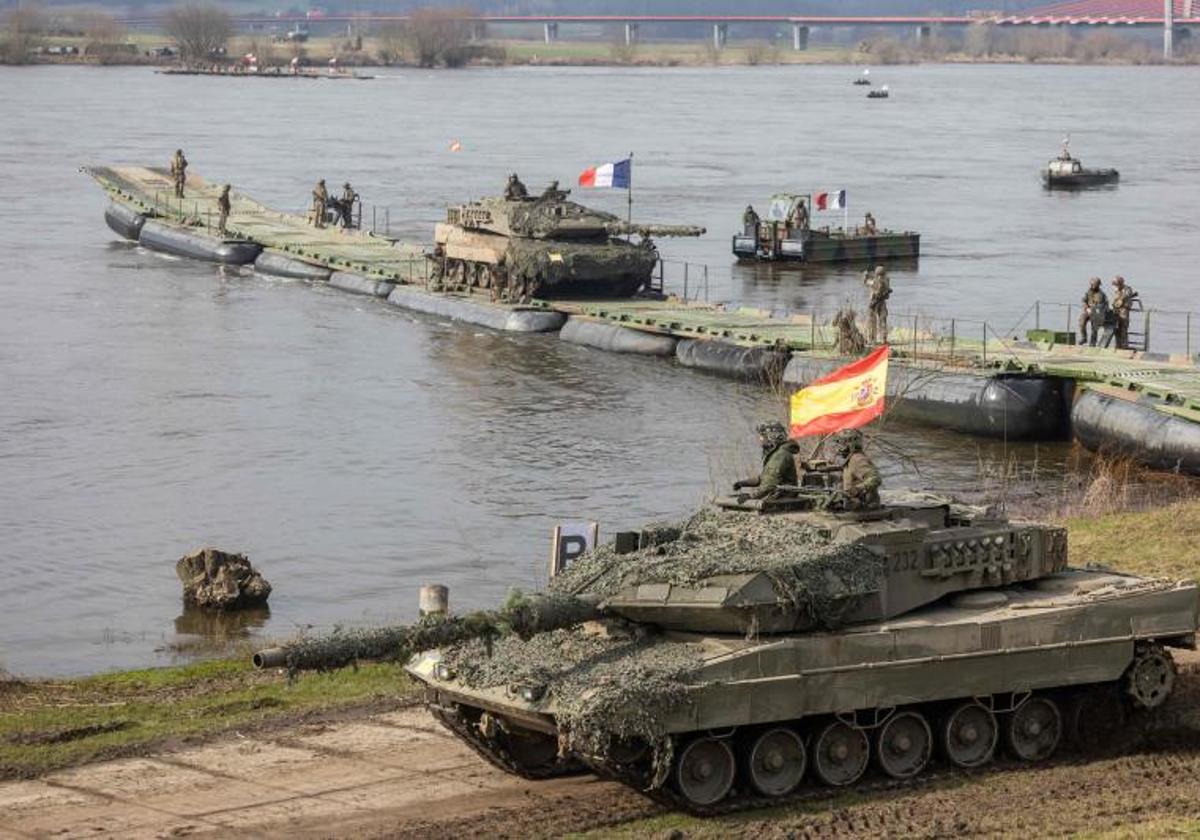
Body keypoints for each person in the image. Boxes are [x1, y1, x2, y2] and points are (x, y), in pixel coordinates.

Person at [732, 422, 800, 500]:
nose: (760, 439)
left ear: (772, 437)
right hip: (778, 496)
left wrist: (751, 496)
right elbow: (764, 478)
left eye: (762, 436)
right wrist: (743, 483)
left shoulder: (780, 455)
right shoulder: (776, 453)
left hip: (783, 498)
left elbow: (770, 484)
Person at [834, 429, 881, 511]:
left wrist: (857, 489)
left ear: (849, 445)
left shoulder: (857, 459)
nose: (838, 449)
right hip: (853, 505)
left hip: (864, 508)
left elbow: (875, 478)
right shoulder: (851, 459)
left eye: (841, 445)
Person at [863, 265, 891, 344]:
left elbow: (866, 282)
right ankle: (884, 339)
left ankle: (872, 339)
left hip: (874, 303)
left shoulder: (874, 281)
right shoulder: (887, 280)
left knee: (872, 321)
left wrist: (865, 275)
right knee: (883, 321)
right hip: (882, 303)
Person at [1078, 277, 1108, 347]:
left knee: (1094, 327)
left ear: (1097, 285)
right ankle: (1084, 338)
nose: (1092, 286)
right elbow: (1083, 300)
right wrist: (1087, 308)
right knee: (1081, 321)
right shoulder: (1088, 292)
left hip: (1097, 312)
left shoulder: (1102, 294)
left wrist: (1097, 310)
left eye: (1093, 285)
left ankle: (1092, 343)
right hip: (1088, 311)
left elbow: (1105, 304)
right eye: (1091, 284)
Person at [1111, 276, 1138, 350]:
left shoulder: (1127, 289)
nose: (1115, 286)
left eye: (1116, 284)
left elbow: (1127, 295)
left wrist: (1121, 300)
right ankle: (1118, 345)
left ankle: (1124, 346)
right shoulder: (1116, 290)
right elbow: (1115, 300)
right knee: (1116, 329)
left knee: (1123, 328)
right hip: (1116, 310)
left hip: (1124, 310)